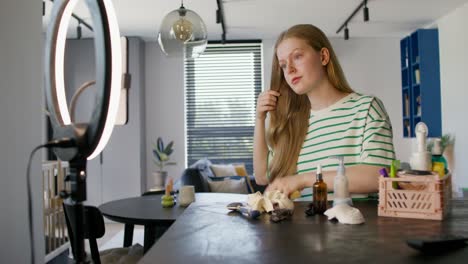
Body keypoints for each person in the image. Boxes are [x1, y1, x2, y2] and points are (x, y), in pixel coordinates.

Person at [253, 24, 395, 197]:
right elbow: (262, 177)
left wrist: (304, 179)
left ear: (323, 56)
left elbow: (378, 176)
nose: (289, 70)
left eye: (297, 56)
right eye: (283, 65)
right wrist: (259, 118)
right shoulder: (292, 124)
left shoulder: (366, 109)